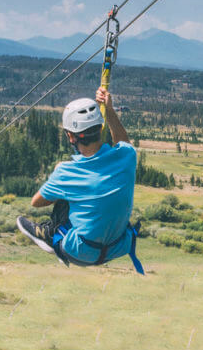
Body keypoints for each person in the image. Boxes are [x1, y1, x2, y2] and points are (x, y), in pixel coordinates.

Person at [16, 86, 143, 273]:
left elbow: (37, 202)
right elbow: (123, 142)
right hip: (118, 246)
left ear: (70, 136)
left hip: (80, 251)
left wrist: (58, 175)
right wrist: (109, 109)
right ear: (100, 128)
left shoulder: (67, 173)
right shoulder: (127, 156)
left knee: (65, 194)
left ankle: (51, 234)